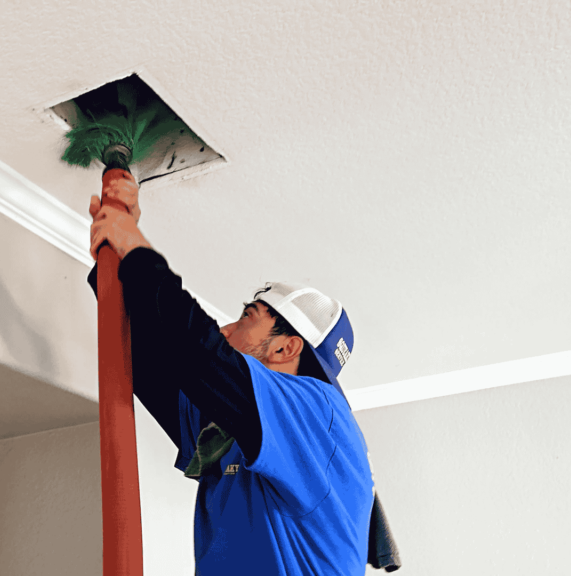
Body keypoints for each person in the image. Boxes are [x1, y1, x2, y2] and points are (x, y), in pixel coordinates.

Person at [86, 184, 377, 575]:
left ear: (285, 349)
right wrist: (115, 263)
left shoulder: (319, 413)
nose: (225, 328)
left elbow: (201, 354)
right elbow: (148, 363)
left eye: (247, 317)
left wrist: (138, 250)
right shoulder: (231, 432)